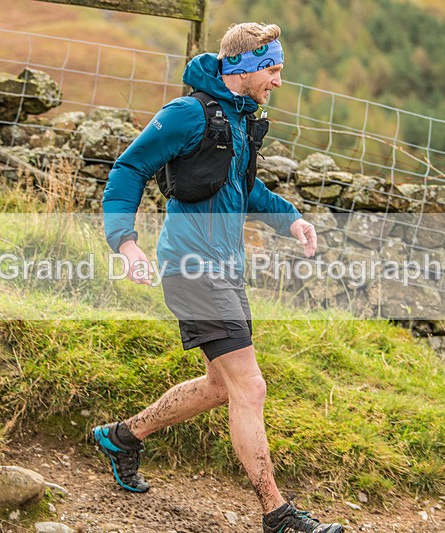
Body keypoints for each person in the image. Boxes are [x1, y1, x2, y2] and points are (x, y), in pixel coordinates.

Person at [94, 22, 344, 533]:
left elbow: (237, 189)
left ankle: (124, 435)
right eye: (272, 70)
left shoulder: (239, 119)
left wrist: (289, 217)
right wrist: (126, 242)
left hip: (226, 268)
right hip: (191, 267)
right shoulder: (186, 114)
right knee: (250, 387)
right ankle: (277, 513)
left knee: (220, 385)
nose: (277, 81)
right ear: (247, 68)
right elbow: (127, 171)